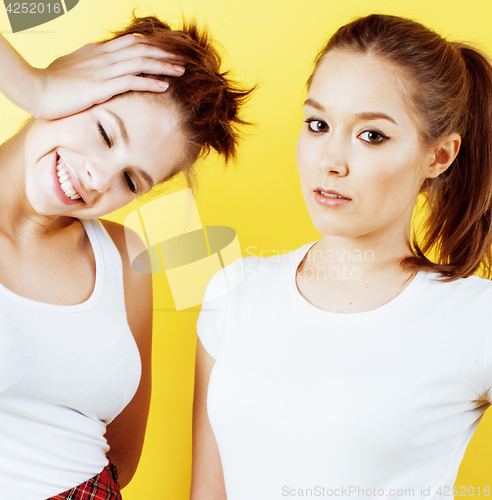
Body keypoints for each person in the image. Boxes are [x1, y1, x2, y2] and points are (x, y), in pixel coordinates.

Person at [192, 13, 492, 500]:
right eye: (318, 124)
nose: (330, 160)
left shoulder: (476, 316)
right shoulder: (236, 290)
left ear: (439, 156)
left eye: (371, 135)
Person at [0, 15, 250, 500]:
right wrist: (37, 84)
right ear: (75, 86)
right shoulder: (47, 88)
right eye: (104, 133)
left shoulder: (123, 255)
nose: (98, 178)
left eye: (132, 181)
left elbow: (123, 457)